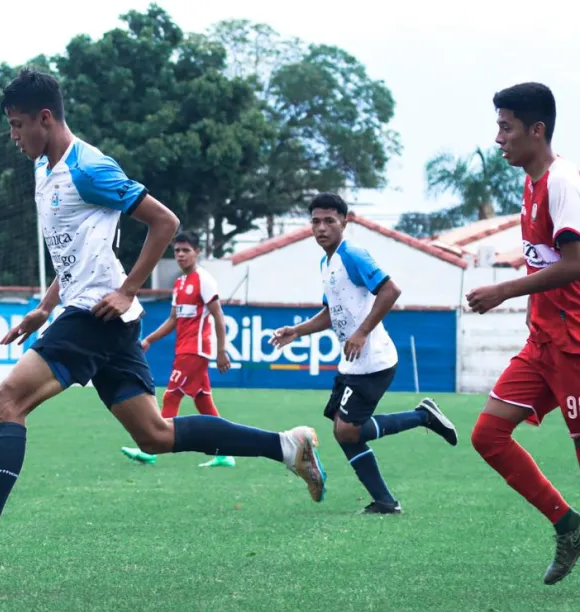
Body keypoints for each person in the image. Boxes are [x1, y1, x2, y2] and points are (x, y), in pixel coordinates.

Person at [0, 68, 327, 574]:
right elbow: (81, 254)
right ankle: (286, 446)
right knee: (154, 434)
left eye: (18, 125)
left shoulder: (89, 167)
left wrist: (129, 287)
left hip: (97, 313)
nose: (13, 137)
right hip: (101, 314)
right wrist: (44, 306)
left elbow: (164, 222)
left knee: (6, 400)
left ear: (45, 118)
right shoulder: (45, 168)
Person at [271, 193, 458, 514]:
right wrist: (297, 330)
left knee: (347, 430)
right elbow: (332, 312)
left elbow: (390, 290)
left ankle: (422, 417)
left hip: (373, 360)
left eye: (329, 220)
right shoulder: (326, 262)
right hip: (353, 361)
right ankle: (385, 501)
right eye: (315, 221)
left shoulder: (353, 254)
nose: (321, 228)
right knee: (345, 431)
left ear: (345, 221)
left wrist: (361, 332)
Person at [465, 82, 580, 585]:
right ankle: (568, 525)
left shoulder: (563, 182)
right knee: (489, 435)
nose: (497, 139)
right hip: (544, 343)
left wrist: (506, 288)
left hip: (576, 345)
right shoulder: (530, 184)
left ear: (537, 130)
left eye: (506, 127)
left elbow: (576, 264)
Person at [121, 230, 234, 467]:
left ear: (197, 252)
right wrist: (149, 339)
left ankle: (152, 449)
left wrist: (221, 351)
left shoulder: (204, 279)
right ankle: (225, 451)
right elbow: (173, 319)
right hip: (184, 349)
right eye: (177, 251)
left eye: (186, 250)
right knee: (203, 401)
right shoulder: (180, 282)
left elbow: (218, 315)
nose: (181, 255)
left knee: (172, 395)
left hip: (196, 350)